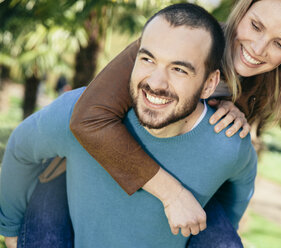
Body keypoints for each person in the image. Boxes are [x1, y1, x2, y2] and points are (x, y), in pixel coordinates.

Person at [0, 4, 257, 248]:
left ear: (210, 84)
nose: (156, 83)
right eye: (147, 59)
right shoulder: (77, 112)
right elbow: (21, 147)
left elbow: (232, 203)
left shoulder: (230, 143)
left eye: (179, 69)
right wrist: (10, 230)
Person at [69, 0, 281, 237]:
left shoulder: (262, 85)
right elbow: (88, 119)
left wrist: (234, 111)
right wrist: (172, 194)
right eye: (255, 26)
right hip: (75, 177)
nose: (259, 48)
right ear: (243, 10)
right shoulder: (179, 37)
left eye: (280, 44)